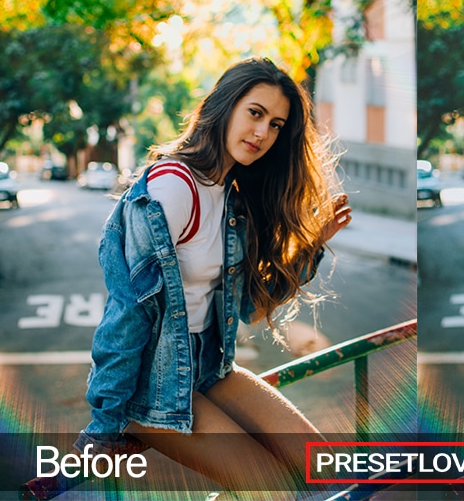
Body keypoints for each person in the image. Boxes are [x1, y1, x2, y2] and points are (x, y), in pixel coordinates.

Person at [78, 57, 352, 499]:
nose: (263, 133)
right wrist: (104, 425)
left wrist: (311, 246)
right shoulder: (173, 189)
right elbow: (127, 311)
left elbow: (251, 309)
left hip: (209, 366)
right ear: (225, 107)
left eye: (277, 124)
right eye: (255, 113)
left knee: (323, 466)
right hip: (154, 386)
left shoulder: (229, 195)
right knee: (273, 491)